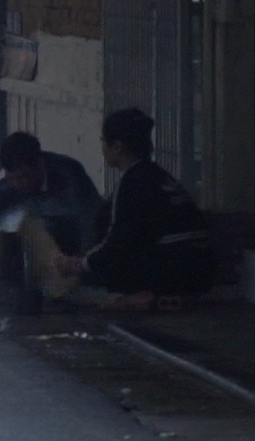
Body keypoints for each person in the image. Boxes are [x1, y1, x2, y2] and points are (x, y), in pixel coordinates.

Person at [56, 108, 215, 302]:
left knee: (94, 278)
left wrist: (78, 265)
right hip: (200, 266)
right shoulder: (158, 175)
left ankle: (143, 298)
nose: (103, 148)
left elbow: (118, 244)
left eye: (103, 142)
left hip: (175, 271)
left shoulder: (133, 182)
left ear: (117, 147)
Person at [0, 131, 104, 256]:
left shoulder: (69, 176)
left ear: (39, 164)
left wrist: (81, 264)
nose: (17, 184)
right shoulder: (8, 187)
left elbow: (89, 223)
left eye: (23, 177)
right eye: (11, 179)